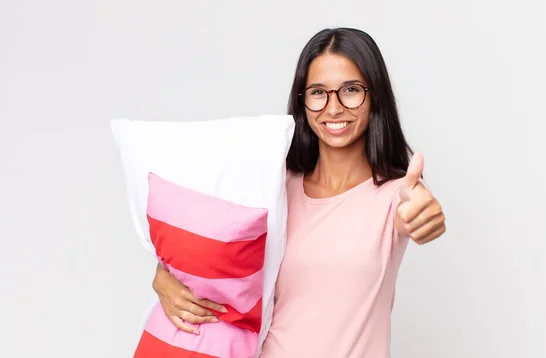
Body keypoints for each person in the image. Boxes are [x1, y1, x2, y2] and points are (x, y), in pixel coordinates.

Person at [151, 27, 446, 357]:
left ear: (374, 95)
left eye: (350, 90)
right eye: (318, 92)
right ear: (302, 100)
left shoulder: (395, 196)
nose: (333, 108)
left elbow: (417, 213)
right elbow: (212, 256)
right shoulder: (272, 186)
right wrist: (163, 277)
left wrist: (424, 213)